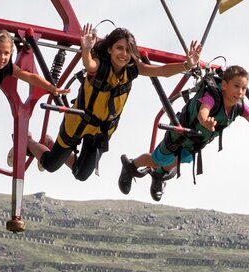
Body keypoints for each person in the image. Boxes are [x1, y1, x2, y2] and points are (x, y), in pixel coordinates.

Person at [24, 24, 201, 181]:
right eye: (119, 48)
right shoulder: (100, 66)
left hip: (101, 131)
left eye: (127, 50)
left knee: (81, 174)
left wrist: (187, 65)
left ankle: (50, 144)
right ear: (109, 49)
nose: (123, 54)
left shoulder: (132, 70)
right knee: (50, 165)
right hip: (78, 122)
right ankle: (29, 142)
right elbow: (89, 65)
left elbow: (162, 71)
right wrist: (86, 49)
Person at [118, 65, 249, 201]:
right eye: (236, 86)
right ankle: (131, 166)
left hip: (195, 142)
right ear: (224, 85)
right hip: (181, 133)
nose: (240, 92)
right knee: (156, 160)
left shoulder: (239, 107)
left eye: (244, 88)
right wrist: (206, 121)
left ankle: (158, 177)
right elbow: (203, 113)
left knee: (177, 161)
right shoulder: (212, 96)